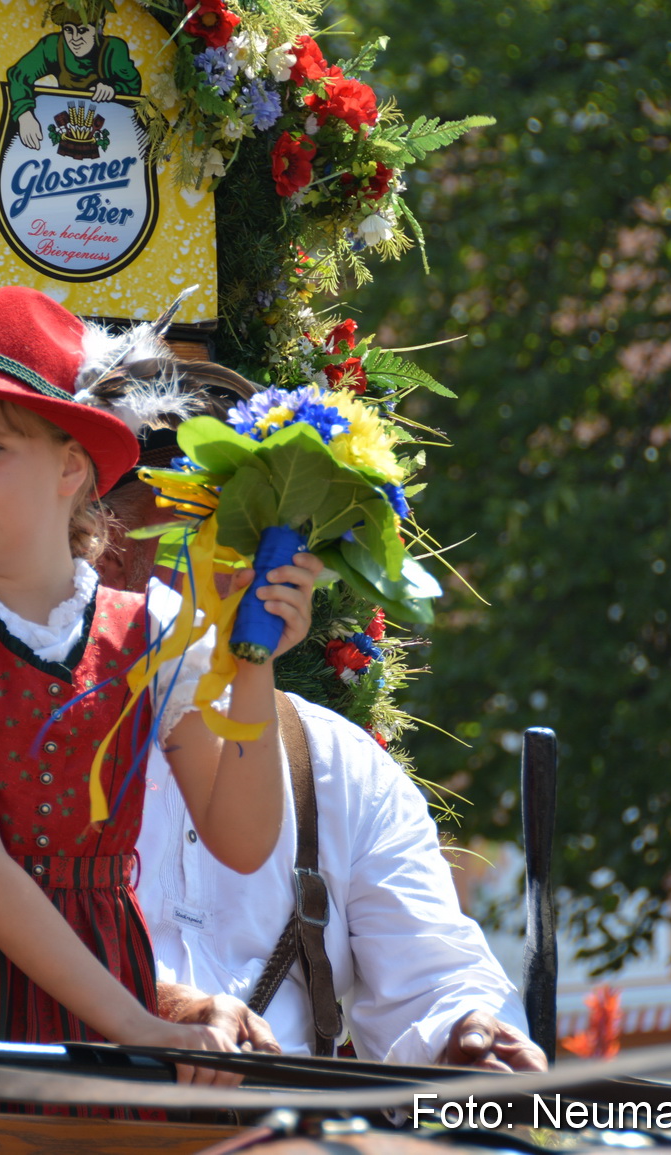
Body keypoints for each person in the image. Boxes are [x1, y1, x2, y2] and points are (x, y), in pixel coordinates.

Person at [0, 287, 321, 1104]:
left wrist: (252, 657)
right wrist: (140, 1023)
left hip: (93, 988)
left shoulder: (153, 627)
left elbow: (243, 841)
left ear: (72, 462)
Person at [100, 361, 547, 1071]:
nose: (215, 572)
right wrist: (166, 1010)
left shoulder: (339, 766)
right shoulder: (39, 737)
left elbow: (433, 970)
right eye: (172, 537)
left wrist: (470, 1028)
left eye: (234, 538)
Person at [8, 2, 143, 149]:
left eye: (83, 30)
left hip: (108, 129)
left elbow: (133, 85)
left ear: (99, 26)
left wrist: (113, 89)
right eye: (68, 30)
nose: (75, 38)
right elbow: (19, 74)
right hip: (64, 122)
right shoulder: (53, 46)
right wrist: (24, 114)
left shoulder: (113, 49)